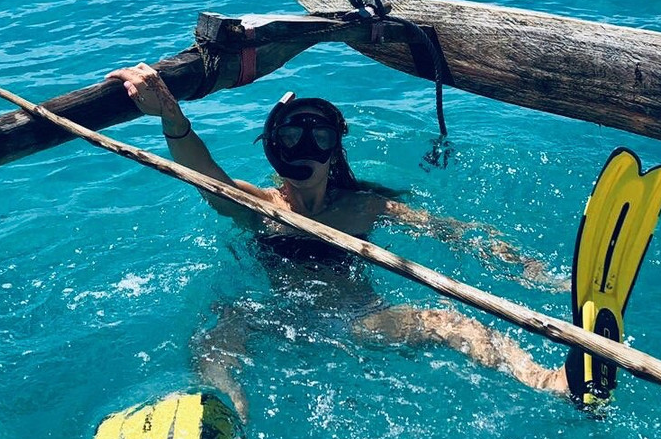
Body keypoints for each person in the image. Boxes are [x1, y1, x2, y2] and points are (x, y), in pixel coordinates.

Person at [105, 64, 569, 420]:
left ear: (333, 151)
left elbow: (452, 231)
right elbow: (205, 177)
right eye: (291, 136)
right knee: (219, 329)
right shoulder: (259, 206)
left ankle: (548, 381)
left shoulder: (363, 207)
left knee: (449, 322)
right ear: (274, 145)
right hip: (281, 318)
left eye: (319, 137)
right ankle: (230, 420)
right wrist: (172, 115)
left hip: (360, 320)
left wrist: (526, 268)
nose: (305, 148)